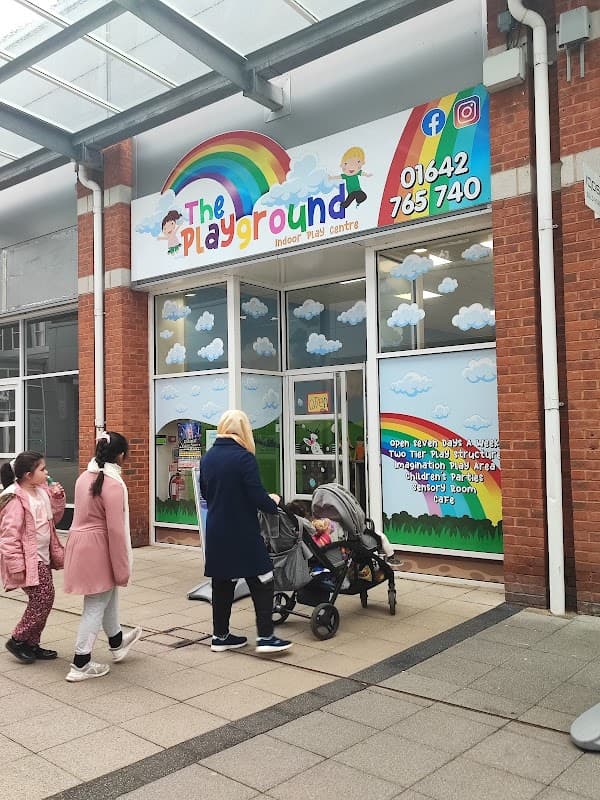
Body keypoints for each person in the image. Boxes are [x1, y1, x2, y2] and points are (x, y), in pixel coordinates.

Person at [200, 410, 292, 654]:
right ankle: (265, 637)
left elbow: (206, 494)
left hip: (217, 529)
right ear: (243, 430)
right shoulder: (244, 458)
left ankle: (220, 636)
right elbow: (255, 494)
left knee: (222, 582)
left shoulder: (208, 458)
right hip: (241, 530)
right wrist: (273, 502)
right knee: (262, 578)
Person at [63, 432, 142, 681]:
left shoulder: (84, 477)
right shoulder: (113, 484)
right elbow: (117, 531)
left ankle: (117, 642)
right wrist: (123, 567)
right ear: (121, 456)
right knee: (96, 604)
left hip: (81, 545)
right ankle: (81, 662)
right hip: (100, 548)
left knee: (107, 595)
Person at [0, 452, 66, 663]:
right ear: (28, 475)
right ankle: (18, 639)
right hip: (29, 559)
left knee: (43, 600)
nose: (47, 473)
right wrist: (16, 566)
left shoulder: (42, 492)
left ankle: (31, 643)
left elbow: (53, 519)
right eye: (42, 469)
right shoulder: (15, 498)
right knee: (43, 598)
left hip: (43, 555)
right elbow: (8, 537)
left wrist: (57, 498)